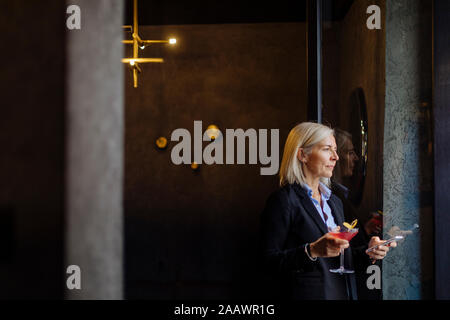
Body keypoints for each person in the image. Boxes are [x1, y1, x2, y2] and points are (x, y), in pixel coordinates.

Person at [260, 122, 395, 300]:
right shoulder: (284, 200)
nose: (336, 157)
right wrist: (311, 251)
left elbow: (341, 259)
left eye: (336, 150)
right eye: (327, 149)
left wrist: (369, 252)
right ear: (303, 155)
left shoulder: (334, 201)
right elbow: (267, 262)